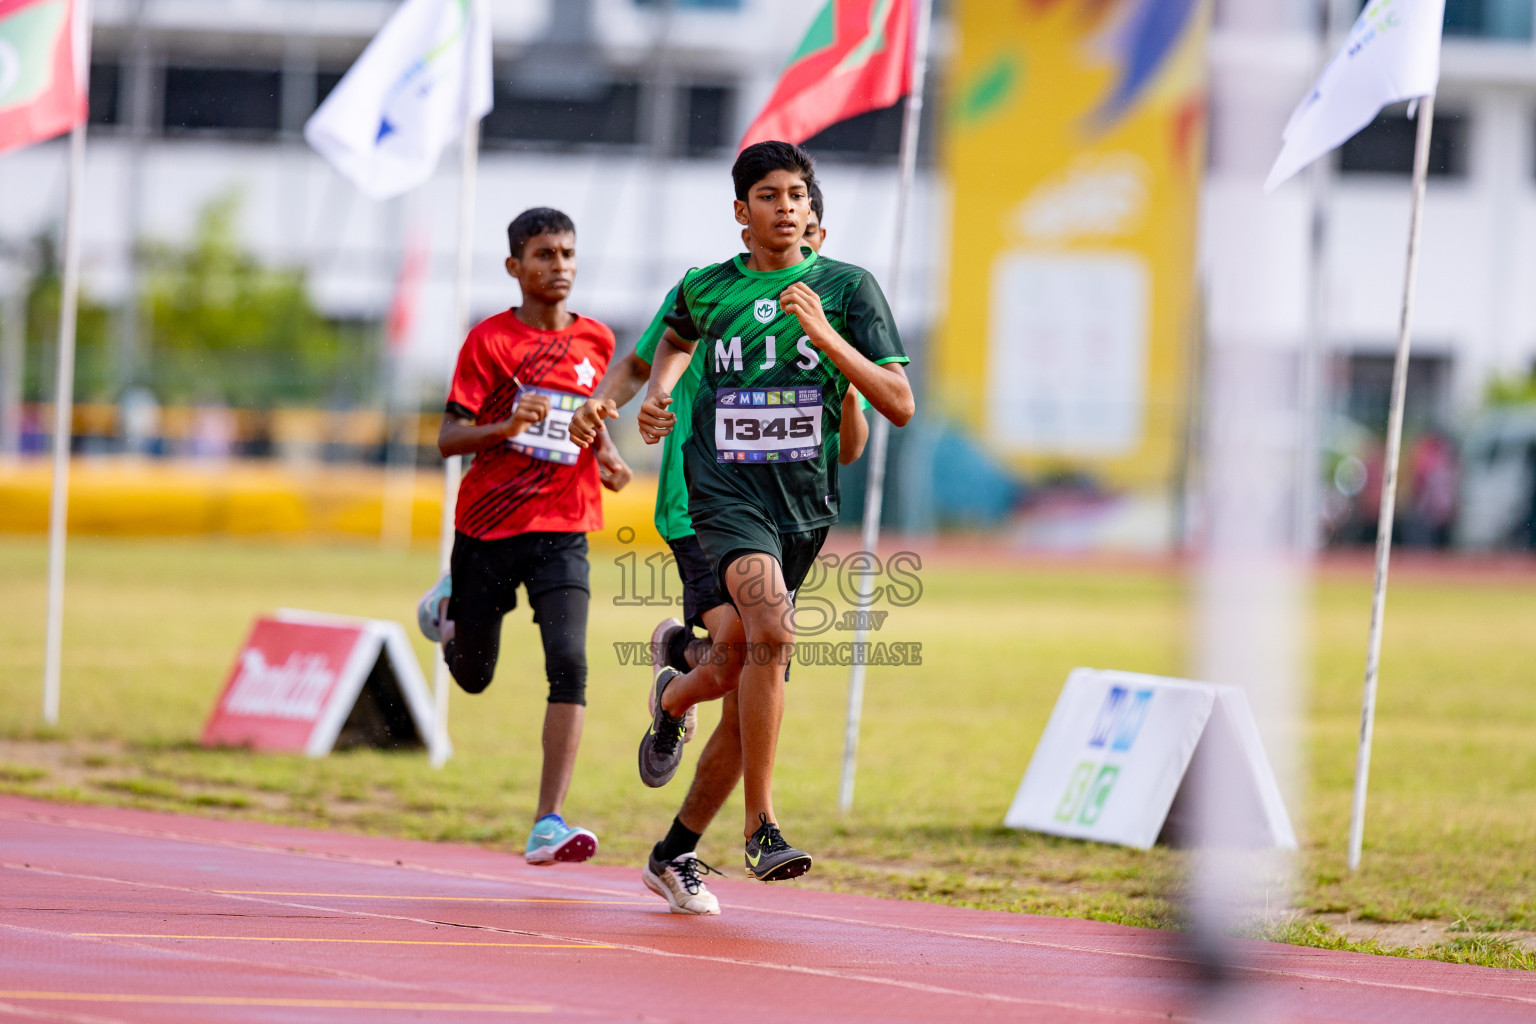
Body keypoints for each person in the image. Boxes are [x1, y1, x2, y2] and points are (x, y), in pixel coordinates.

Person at [579, 141, 913, 883]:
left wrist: (827, 338)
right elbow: (667, 344)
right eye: (770, 195)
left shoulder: (850, 289)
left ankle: (673, 710)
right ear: (742, 212)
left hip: (802, 511)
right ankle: (760, 824)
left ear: (814, 213)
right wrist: (656, 394)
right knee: (774, 628)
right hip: (719, 498)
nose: (787, 207)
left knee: (739, 669)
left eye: (798, 195)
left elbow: (898, 405)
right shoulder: (707, 286)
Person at [415, 207, 631, 867]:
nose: (558, 266)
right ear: (515, 267)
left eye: (567, 254)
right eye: (543, 255)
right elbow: (448, 439)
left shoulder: (597, 341)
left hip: (565, 529)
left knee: (570, 661)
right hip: (487, 528)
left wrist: (610, 456)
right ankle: (451, 607)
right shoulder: (489, 343)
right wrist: (504, 428)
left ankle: (548, 822)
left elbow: (585, 416)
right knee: (473, 677)